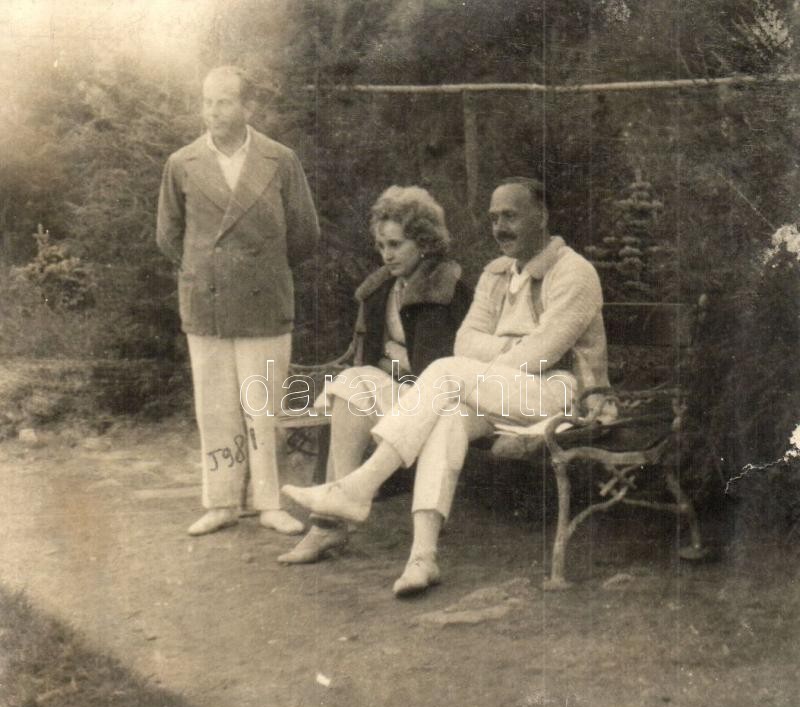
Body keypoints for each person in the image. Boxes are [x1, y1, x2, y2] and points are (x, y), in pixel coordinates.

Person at [282, 177, 611, 595]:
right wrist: (505, 350)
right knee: (443, 415)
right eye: (493, 219)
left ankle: (359, 488)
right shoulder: (496, 274)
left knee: (447, 371)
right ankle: (423, 557)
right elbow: (465, 342)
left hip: (562, 393)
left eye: (510, 216)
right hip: (497, 394)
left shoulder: (575, 272)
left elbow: (539, 356)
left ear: (542, 215)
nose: (500, 228)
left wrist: (488, 358)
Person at [156, 66, 319, 537]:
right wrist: (207, 268)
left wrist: (261, 267)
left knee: (262, 406)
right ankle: (222, 501)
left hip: (264, 300)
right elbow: (169, 236)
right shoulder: (181, 163)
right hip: (206, 300)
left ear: (248, 107)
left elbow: (305, 234)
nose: (213, 111)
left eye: (224, 102)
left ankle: (268, 501)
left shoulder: (279, 159)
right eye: (207, 102)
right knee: (215, 406)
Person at [278, 185, 471, 565]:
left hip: (434, 403)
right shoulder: (383, 288)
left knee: (354, 383)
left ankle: (331, 523)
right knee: (351, 383)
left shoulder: (446, 290)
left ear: (425, 242)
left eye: (397, 244)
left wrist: (384, 376)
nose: (387, 254)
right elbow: (368, 358)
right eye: (382, 245)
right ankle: (333, 518)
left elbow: (441, 371)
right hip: (391, 393)